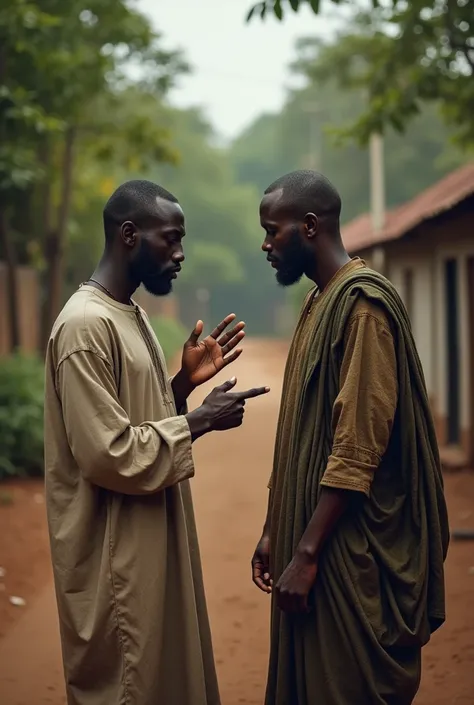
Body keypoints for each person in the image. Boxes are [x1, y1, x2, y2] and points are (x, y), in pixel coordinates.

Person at [44, 179, 269, 705]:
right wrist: (199, 421)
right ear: (128, 234)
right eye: (170, 239)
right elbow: (106, 452)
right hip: (116, 561)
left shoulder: (130, 313)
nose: (180, 253)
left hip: (148, 544)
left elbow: (131, 419)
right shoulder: (84, 326)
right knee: (131, 685)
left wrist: (183, 387)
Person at [251, 170, 449, 705]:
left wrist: (307, 553)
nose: (266, 245)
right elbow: (298, 433)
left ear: (309, 226)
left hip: (348, 550)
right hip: (316, 536)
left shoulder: (362, 308)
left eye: (274, 231)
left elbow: (356, 447)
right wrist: (276, 527)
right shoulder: (321, 301)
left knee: (342, 685)